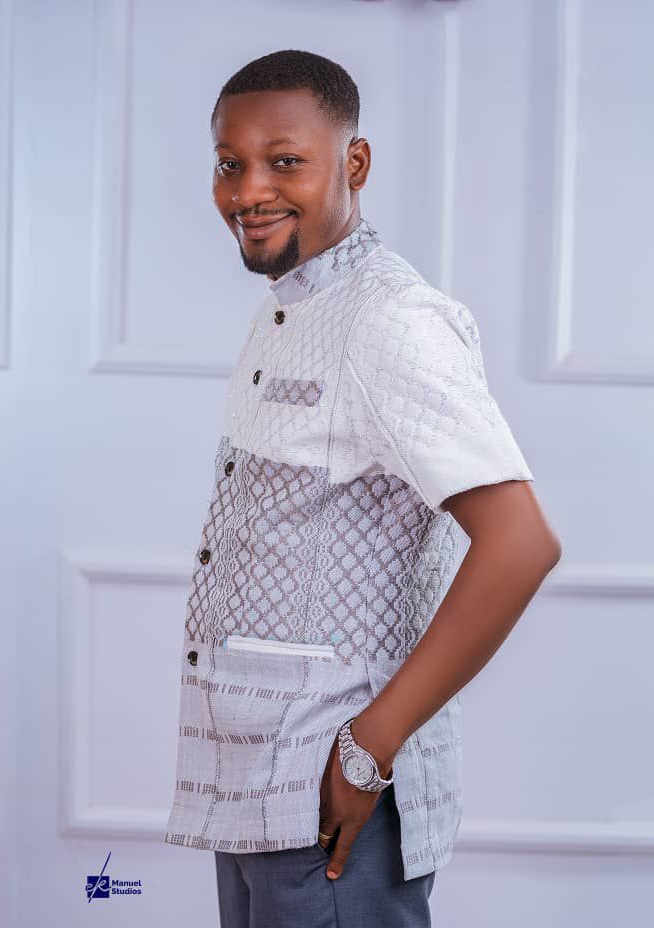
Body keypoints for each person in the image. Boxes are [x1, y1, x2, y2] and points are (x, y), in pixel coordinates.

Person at [164, 49, 562, 928]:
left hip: (331, 792)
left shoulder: (390, 320)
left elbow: (521, 544)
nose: (248, 191)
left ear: (354, 163)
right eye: (229, 164)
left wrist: (365, 750)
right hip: (256, 783)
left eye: (284, 160)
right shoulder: (289, 306)